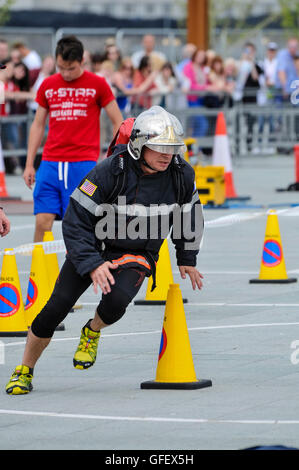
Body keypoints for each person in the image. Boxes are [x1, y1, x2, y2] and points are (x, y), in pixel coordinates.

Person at [5, 105, 204, 395]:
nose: (166, 154)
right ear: (138, 145)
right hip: (93, 247)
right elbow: (74, 220)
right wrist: (91, 263)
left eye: (172, 148)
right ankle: (24, 369)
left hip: (138, 252)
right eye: (159, 147)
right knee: (55, 308)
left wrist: (187, 256)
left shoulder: (181, 174)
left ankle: (92, 330)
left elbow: (190, 214)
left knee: (116, 302)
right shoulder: (110, 170)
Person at [23, 35, 123, 242]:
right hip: (50, 163)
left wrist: (114, 157)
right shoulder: (48, 85)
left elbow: (117, 121)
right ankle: (38, 273)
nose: (66, 73)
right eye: (61, 68)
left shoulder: (98, 84)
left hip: (83, 163)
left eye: (71, 68)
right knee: (42, 221)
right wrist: (29, 164)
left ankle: (80, 271)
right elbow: (38, 124)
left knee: (79, 224)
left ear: (82, 62)